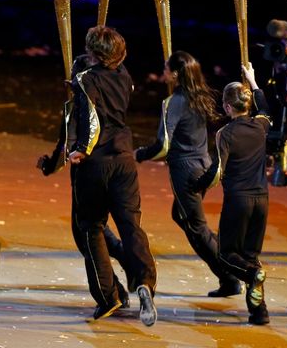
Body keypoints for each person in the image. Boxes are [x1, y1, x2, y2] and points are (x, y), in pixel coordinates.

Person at [68, 26, 157, 326]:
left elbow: (91, 120)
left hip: (97, 163)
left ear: (94, 55)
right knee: (131, 226)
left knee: (91, 227)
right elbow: (104, 64)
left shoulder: (85, 80)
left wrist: (80, 149)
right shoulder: (125, 77)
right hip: (125, 159)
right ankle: (145, 280)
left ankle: (108, 296)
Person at [135, 50, 243, 298]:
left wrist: (140, 154)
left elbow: (163, 145)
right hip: (203, 165)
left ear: (175, 74)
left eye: (166, 68)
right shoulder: (199, 96)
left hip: (186, 171)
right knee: (181, 216)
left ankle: (230, 275)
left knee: (197, 228)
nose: (163, 72)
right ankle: (228, 272)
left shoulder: (174, 102)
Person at [36, 53, 131, 306]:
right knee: (98, 229)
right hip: (120, 166)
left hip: (89, 174)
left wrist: (47, 165)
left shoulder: (77, 107)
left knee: (87, 233)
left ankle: (109, 293)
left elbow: (66, 145)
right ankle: (121, 278)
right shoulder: (114, 95)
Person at [195, 62, 272, 325]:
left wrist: (197, 185)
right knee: (251, 255)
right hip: (262, 199)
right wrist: (253, 80)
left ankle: (251, 276)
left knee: (228, 256)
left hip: (238, 199)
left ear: (228, 107)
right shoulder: (260, 126)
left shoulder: (225, 133)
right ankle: (259, 312)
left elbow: (217, 170)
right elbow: (265, 108)